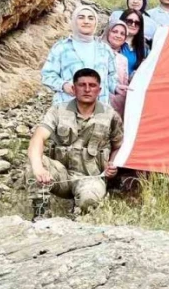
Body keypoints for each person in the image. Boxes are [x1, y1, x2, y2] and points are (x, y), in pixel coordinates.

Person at [27, 68, 123, 219]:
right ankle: (41, 215)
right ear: (73, 88)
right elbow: (37, 138)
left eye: (92, 85)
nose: (87, 89)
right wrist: (38, 168)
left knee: (89, 200)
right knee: (35, 161)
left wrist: (111, 164)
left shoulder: (110, 115)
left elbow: (119, 146)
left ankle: (78, 219)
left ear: (99, 90)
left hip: (91, 178)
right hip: (60, 176)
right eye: (81, 85)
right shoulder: (58, 110)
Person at [41, 5, 118, 104]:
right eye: (81, 17)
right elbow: (47, 75)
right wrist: (63, 85)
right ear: (74, 21)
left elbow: (112, 75)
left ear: (95, 22)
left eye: (91, 18)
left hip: (99, 109)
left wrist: (116, 87)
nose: (86, 21)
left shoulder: (105, 49)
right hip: (68, 107)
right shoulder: (61, 48)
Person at [103, 22, 131, 117]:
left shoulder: (123, 59)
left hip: (116, 106)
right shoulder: (96, 52)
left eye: (122, 34)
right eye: (115, 31)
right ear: (108, 33)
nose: (118, 36)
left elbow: (124, 83)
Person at [118, 9, 149, 75]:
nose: (133, 25)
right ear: (122, 21)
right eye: (129, 21)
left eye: (137, 23)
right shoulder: (113, 42)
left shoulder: (145, 49)